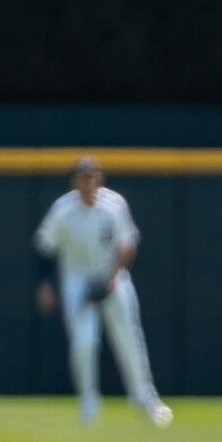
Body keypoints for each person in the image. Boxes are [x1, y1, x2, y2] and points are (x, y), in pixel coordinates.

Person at [33, 157, 173, 427]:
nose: (89, 182)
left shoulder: (114, 205)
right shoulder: (63, 210)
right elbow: (45, 246)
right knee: (84, 342)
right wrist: (45, 284)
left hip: (112, 275)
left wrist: (111, 279)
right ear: (75, 181)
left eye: (93, 176)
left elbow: (128, 244)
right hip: (77, 278)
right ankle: (88, 400)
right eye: (84, 177)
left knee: (130, 341)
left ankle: (145, 399)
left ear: (99, 178)